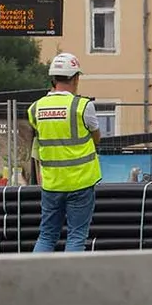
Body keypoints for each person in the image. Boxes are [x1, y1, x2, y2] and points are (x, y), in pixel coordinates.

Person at [28, 52, 102, 253]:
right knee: (76, 236)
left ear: (53, 78)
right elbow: (96, 137)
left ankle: (35, 278)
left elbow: (40, 136)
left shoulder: (35, 108)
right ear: (76, 78)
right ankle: (71, 282)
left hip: (51, 183)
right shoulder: (82, 106)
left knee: (47, 235)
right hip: (81, 182)